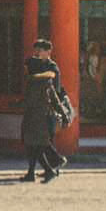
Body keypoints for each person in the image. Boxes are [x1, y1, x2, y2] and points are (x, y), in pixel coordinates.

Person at [21, 37, 70, 183]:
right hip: (35, 114)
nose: (37, 53)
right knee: (37, 144)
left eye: (40, 50)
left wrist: (61, 112)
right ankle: (43, 168)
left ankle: (52, 165)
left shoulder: (50, 69)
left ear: (48, 52)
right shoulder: (37, 71)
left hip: (44, 113)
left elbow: (55, 92)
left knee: (39, 144)